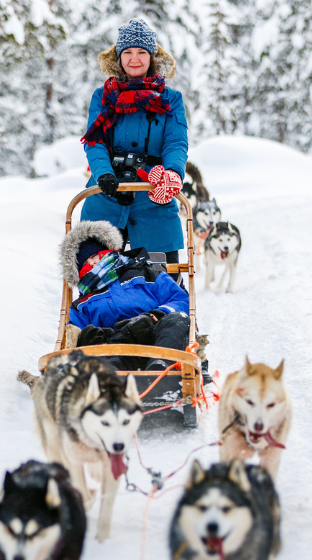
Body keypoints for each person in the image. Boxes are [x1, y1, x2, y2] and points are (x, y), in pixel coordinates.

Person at [80, 18, 188, 274]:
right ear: (118, 57)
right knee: (97, 277)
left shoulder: (171, 99)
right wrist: (103, 174)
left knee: (162, 278)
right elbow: (94, 142)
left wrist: (172, 173)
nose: (134, 59)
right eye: (127, 52)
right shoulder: (103, 97)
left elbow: (176, 141)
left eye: (141, 52)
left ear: (152, 56)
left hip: (154, 194)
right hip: (106, 193)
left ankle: (159, 313)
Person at [59, 220, 189, 370]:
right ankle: (111, 386)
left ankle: (161, 373)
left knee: (179, 320)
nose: (93, 264)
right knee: (97, 360)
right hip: (115, 352)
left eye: (94, 256)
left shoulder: (145, 274)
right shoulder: (81, 305)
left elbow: (180, 299)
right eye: (85, 264)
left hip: (157, 340)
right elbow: (75, 335)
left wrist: (155, 315)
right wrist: (90, 337)